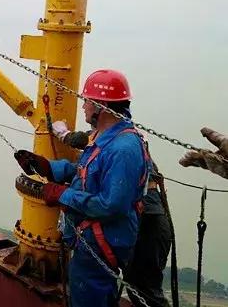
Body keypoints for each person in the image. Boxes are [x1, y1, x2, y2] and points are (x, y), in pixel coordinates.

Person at [14, 69, 150, 307]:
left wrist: (63, 195)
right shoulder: (105, 136)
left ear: (100, 105)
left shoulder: (123, 149)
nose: (83, 106)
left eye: (86, 100)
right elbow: (85, 171)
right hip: (91, 239)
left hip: (101, 242)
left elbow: (111, 205)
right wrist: (47, 168)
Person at [52, 120, 171, 307]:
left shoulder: (120, 147)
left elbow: (82, 142)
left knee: (144, 290)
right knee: (129, 285)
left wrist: (63, 134)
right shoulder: (121, 143)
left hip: (146, 220)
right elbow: (83, 168)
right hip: (146, 218)